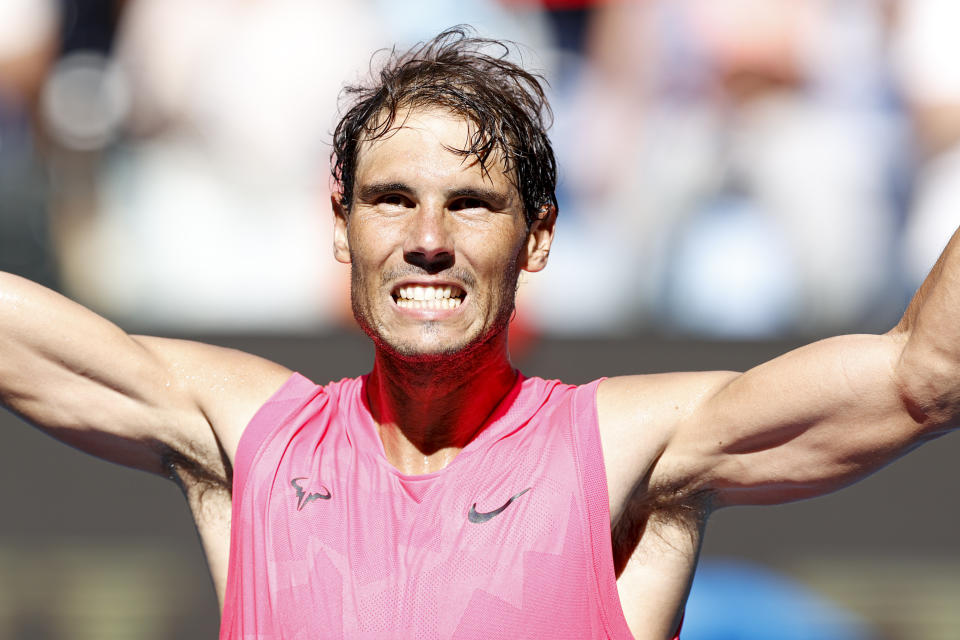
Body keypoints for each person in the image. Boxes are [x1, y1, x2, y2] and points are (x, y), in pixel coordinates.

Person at [0, 27, 957, 640]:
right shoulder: (248, 434)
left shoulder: (623, 448)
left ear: (537, 237)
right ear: (341, 227)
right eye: (390, 201)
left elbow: (925, 375)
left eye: (470, 205)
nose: (425, 241)